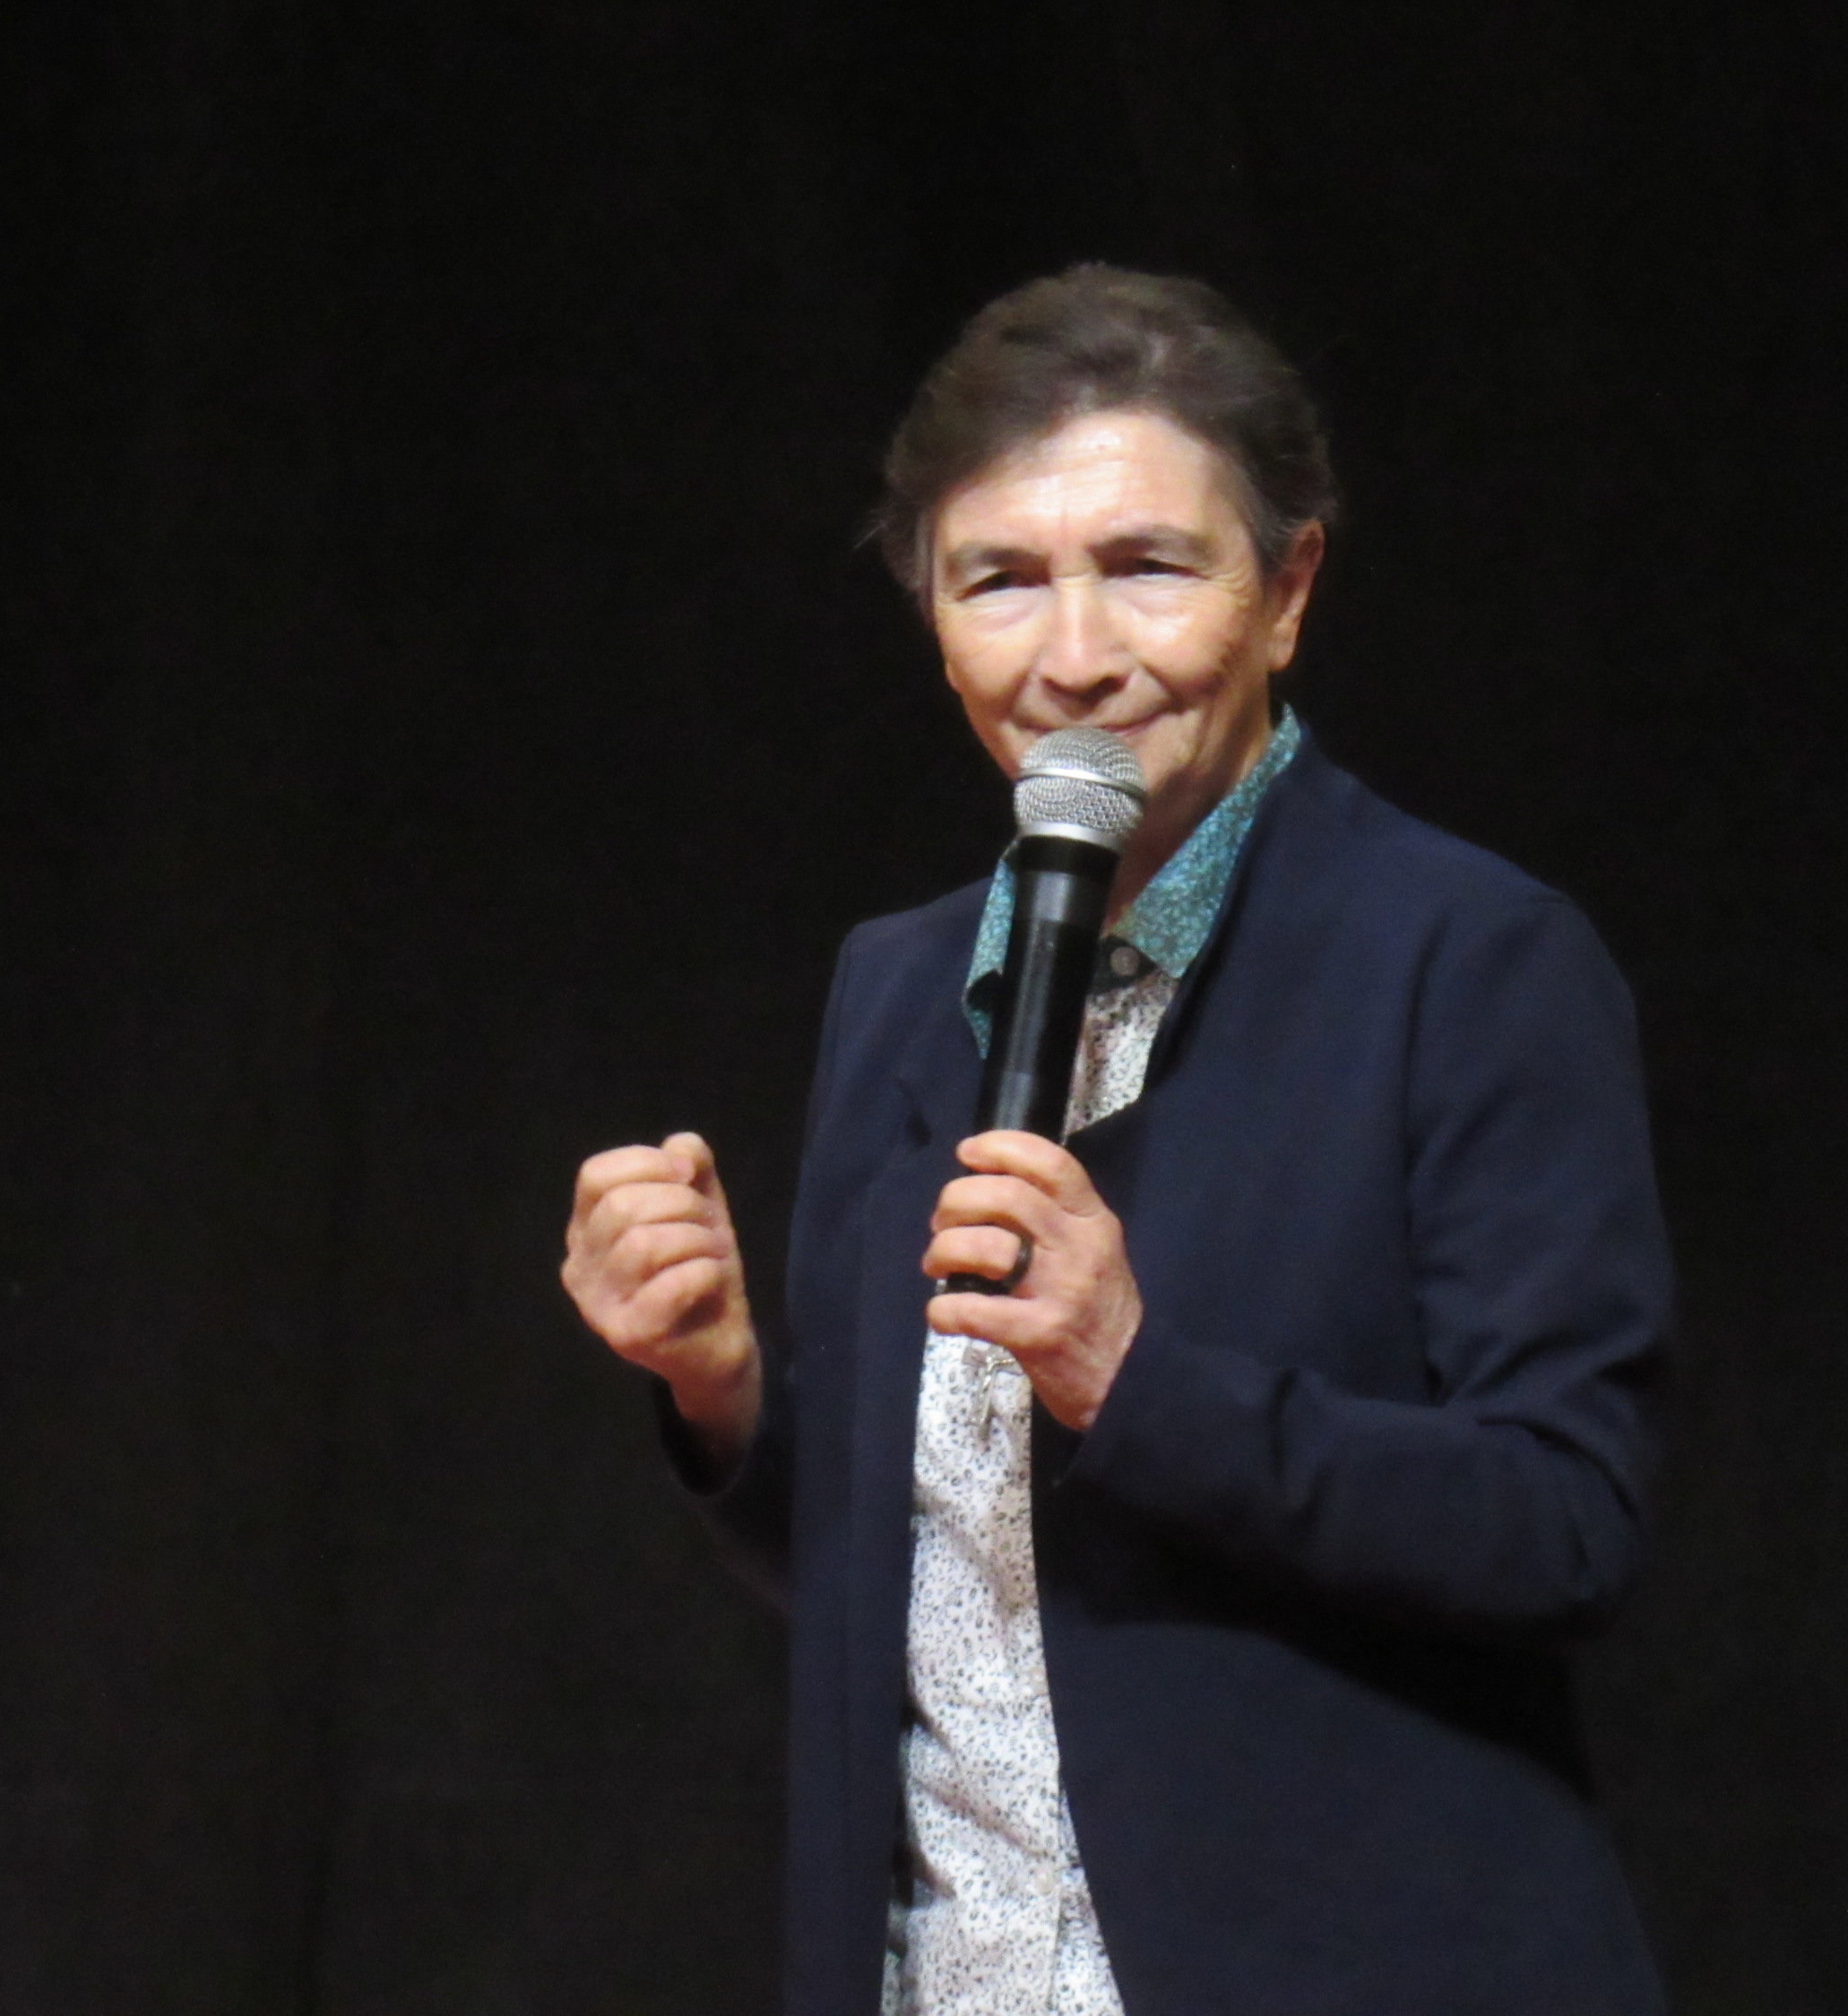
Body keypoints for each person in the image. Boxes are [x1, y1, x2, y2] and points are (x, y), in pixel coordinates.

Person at [562, 266, 1673, 2015]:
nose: (1074, 657)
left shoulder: (1465, 959)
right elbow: (923, 1592)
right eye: (999, 579)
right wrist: (718, 1389)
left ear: (1286, 591)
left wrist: (1141, 1382)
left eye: (1147, 566)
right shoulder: (902, 985)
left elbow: (1566, 1522)